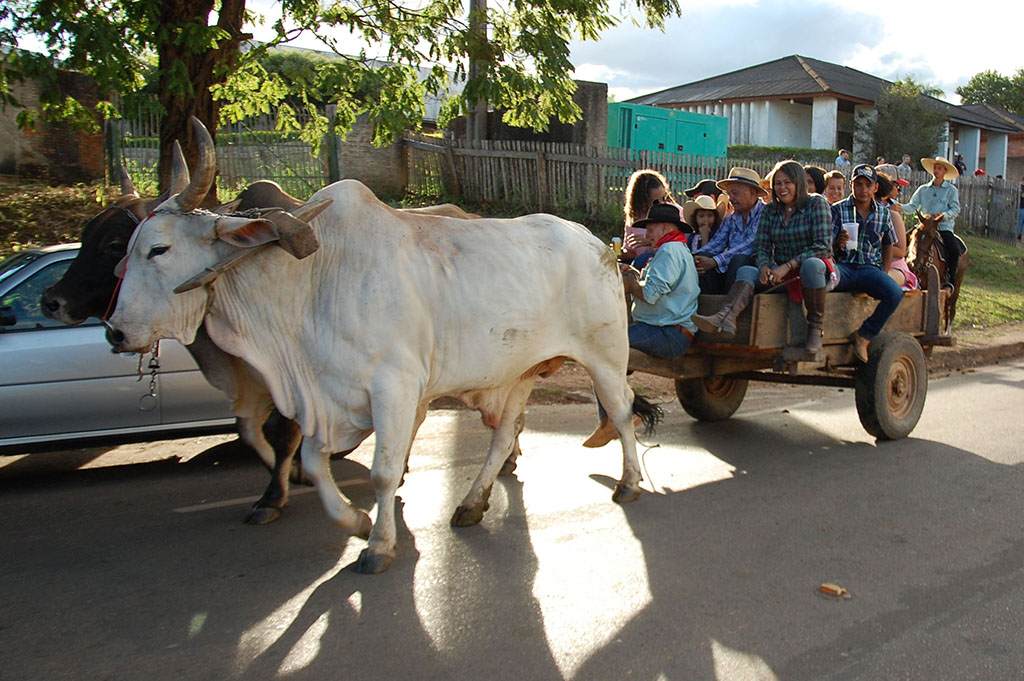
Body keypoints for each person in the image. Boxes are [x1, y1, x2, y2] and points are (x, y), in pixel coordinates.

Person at [583, 202, 699, 447]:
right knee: (606, 356)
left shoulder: (669, 252)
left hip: (668, 333)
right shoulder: (673, 249)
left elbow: (650, 294)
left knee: (603, 349)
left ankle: (615, 418)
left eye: (651, 228)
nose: (647, 234)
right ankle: (619, 413)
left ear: (665, 227)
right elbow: (654, 287)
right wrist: (633, 275)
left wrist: (629, 281)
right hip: (663, 329)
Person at [693, 160, 832, 352]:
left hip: (811, 273)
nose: (782, 188)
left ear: (798, 183)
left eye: (787, 182)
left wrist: (788, 266)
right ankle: (726, 317)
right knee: (747, 270)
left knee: (812, 264)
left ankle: (815, 329)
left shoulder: (815, 203)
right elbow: (761, 247)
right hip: (780, 272)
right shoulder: (771, 210)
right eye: (778, 183)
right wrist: (765, 265)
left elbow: (823, 246)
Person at [830, 164, 906, 362]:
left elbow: (888, 244)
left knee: (895, 293)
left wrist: (884, 271)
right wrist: (838, 244)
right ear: (851, 186)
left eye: (867, 185)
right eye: (859, 184)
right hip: (844, 266)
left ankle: (865, 335)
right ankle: (817, 331)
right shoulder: (838, 210)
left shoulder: (883, 213)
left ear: (875, 188)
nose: (863, 189)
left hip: (869, 269)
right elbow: (826, 247)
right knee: (821, 281)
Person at [691, 167, 767, 295]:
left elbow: (751, 245)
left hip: (756, 270)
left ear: (753, 193)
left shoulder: (765, 213)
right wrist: (697, 257)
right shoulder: (731, 217)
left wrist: (715, 262)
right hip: (729, 267)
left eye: (735, 193)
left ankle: (727, 303)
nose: (731, 198)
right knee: (704, 257)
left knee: (740, 260)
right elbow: (716, 243)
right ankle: (710, 300)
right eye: (729, 194)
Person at [899, 156, 962, 285]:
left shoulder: (951, 190)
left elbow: (955, 209)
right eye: (935, 168)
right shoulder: (923, 189)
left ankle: (950, 280)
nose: (936, 171)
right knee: (903, 242)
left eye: (939, 168)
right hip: (923, 227)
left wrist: (943, 215)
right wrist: (899, 207)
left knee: (954, 250)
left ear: (945, 171)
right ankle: (902, 273)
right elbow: (912, 206)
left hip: (943, 227)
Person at [621, 169, 678, 268]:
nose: (661, 203)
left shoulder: (672, 212)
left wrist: (651, 240)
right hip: (638, 265)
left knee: (642, 259)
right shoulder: (635, 216)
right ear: (642, 200)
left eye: (663, 198)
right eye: (655, 201)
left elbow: (681, 242)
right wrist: (622, 253)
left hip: (664, 263)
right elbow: (630, 250)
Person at [874, 170, 917, 290]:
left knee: (876, 279)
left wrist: (870, 247)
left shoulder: (893, 213)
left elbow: (901, 251)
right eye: (896, 185)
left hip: (894, 266)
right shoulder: (852, 212)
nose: (898, 190)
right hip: (866, 266)